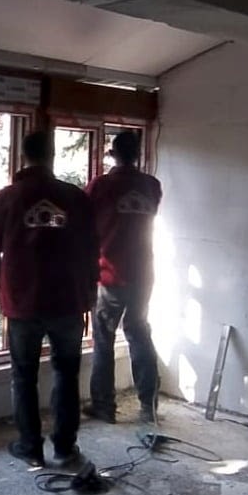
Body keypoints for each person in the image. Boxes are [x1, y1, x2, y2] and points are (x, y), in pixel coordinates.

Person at [0, 130, 98, 468]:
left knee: (23, 375)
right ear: (52, 155)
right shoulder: (74, 197)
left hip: (23, 301)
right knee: (67, 373)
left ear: (23, 155)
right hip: (67, 300)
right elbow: (92, 246)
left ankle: (30, 447)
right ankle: (65, 448)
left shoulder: (8, 197)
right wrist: (88, 291)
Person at [87, 130, 163, 423]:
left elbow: (84, 218)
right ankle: (148, 404)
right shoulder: (151, 186)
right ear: (138, 154)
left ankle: (104, 405)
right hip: (143, 273)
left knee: (104, 338)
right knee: (139, 331)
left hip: (111, 274)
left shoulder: (102, 186)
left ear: (112, 154)